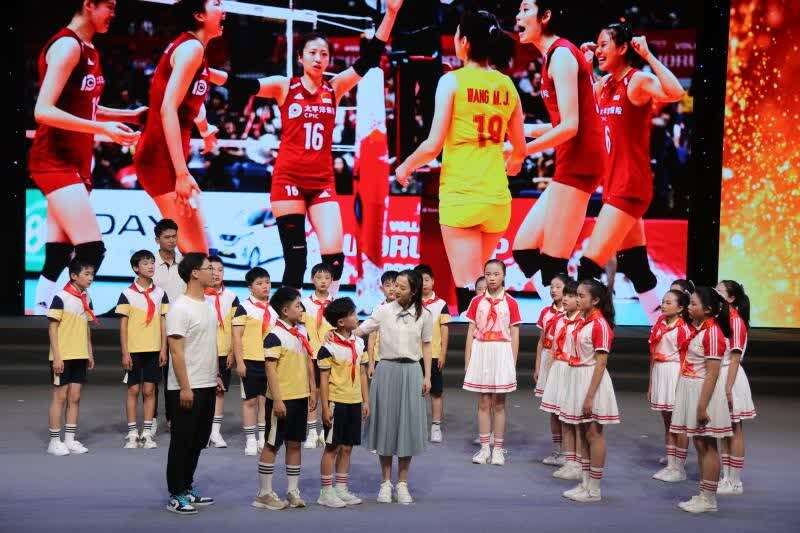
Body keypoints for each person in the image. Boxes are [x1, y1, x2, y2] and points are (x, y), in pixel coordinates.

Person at [236, 0, 405, 294]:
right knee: (296, 260)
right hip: (288, 180)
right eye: (312, 53)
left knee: (335, 260)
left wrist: (390, 14)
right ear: (300, 57)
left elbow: (369, 58)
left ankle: (326, 312)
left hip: (322, 182)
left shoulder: (334, 87)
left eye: (324, 54)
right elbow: (241, 84)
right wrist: (203, 72)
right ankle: (285, 316)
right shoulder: (284, 86)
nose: (318, 58)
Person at [396, 10, 526, 313]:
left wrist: (405, 166)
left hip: (462, 197)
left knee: (471, 292)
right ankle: (493, 340)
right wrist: (513, 162)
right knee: (483, 287)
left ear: (464, 41)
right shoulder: (507, 85)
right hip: (496, 200)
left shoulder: (452, 81)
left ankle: (484, 343)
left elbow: (433, 146)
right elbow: (519, 150)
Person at [30, 0, 143, 315]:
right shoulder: (67, 45)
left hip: (77, 160)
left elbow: (87, 107)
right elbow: (43, 110)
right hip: (55, 159)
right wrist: (102, 129)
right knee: (92, 249)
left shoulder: (90, 49)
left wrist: (130, 115)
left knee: (58, 252)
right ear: (88, 4)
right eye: (109, 6)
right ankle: (72, 307)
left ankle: (42, 308)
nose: (114, 14)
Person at [576, 25, 685, 324]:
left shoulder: (636, 81)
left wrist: (647, 55)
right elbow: (577, 110)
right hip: (614, 186)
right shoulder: (603, 85)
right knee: (636, 267)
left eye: (603, 45)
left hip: (630, 186)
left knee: (587, 267)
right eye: (597, 45)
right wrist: (584, 67)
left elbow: (676, 92)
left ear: (622, 48)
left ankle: (595, 332)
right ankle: (665, 329)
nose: (598, 50)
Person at [512, 0, 606, 304]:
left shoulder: (562, 55)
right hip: (570, 160)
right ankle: (562, 314)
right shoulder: (554, 56)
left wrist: (521, 151)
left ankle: (578, 319)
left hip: (580, 162)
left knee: (553, 264)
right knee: (523, 249)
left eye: (525, 9)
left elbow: (570, 127)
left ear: (546, 16)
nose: (518, 15)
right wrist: (515, 132)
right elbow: (559, 124)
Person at [135, 0, 228, 253]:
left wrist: (205, 128)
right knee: (197, 257)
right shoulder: (191, 48)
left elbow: (191, 102)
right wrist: (181, 173)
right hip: (160, 160)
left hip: (162, 158)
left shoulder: (194, 48)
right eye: (216, 3)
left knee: (197, 253)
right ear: (199, 15)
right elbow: (168, 108)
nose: (224, 10)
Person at [353, 270, 432, 504]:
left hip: (412, 372)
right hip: (386, 370)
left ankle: (403, 483)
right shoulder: (384, 310)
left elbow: (427, 345)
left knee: (407, 427)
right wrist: (339, 334)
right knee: (386, 426)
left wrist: (427, 376)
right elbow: (362, 329)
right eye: (395, 285)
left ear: (414, 291)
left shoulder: (424, 315)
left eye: (402, 287)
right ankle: (385, 483)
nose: (395, 290)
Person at [164, 252, 222, 515]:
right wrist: (185, 387)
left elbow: (206, 345)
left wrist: (215, 375)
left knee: (198, 440)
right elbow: (176, 352)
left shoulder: (207, 304)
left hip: (206, 382)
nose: (214, 273)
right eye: (209, 268)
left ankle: (187, 487)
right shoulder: (180, 307)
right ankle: (176, 494)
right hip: (186, 387)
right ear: (195, 273)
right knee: (182, 441)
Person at [252, 287, 317, 511]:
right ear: (285, 310)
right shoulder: (274, 336)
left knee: (295, 443)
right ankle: (264, 493)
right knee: (272, 444)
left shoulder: (302, 331)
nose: (301, 309)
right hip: (281, 400)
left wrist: (313, 389)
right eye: (298, 305)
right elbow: (270, 370)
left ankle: (292, 490)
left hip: (300, 397)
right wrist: (278, 400)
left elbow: (309, 363)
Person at [670, 287, 733, 514]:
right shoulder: (699, 330)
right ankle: (704, 493)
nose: (689, 307)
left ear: (707, 309)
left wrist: (702, 406)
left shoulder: (713, 333)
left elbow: (713, 373)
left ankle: (709, 499)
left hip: (703, 394)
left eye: (693, 304)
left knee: (708, 446)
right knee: (700, 445)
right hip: (692, 389)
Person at [559, 279, 620, 503]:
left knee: (594, 434)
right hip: (578, 378)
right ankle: (584, 482)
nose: (577, 299)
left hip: (591, 381)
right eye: (576, 295)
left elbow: (601, 363)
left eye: (581, 296)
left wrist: (590, 396)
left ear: (595, 300)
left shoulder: (599, 324)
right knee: (583, 432)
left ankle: (594, 488)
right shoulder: (583, 321)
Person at [464, 259, 521, 466]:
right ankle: (484, 448)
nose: (492, 278)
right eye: (488, 274)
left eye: (496, 274)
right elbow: (471, 332)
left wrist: (511, 363)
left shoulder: (511, 302)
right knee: (483, 402)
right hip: (481, 350)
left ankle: (498, 449)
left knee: (499, 403)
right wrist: (468, 360)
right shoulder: (476, 301)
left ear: (504, 276)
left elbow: (515, 334)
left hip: (501, 351)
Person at [316, 298, 370, 508]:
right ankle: (326, 491)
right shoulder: (328, 347)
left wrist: (366, 401)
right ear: (340, 322)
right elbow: (323, 380)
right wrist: (325, 407)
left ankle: (341, 487)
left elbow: (363, 373)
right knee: (332, 447)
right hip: (337, 402)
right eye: (353, 314)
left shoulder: (360, 343)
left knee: (347, 447)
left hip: (354, 401)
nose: (357, 318)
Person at [116, 250, 169, 449]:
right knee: (133, 390)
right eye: (145, 263)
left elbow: (163, 322)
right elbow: (123, 326)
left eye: (152, 262)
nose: (150, 266)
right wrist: (125, 352)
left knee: (149, 390)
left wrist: (163, 348)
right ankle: (132, 433)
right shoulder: (127, 294)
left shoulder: (160, 293)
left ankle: (147, 432)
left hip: (154, 350)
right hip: (134, 350)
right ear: (135, 268)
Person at [46, 258, 96, 456]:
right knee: (60, 397)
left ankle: (70, 439)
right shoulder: (61, 297)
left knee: (75, 397)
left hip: (80, 354)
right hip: (63, 356)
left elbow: (87, 327)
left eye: (92, 274)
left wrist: (89, 351)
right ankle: (54, 441)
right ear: (74, 276)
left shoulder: (87, 298)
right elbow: (52, 328)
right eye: (86, 274)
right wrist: (57, 357)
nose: (90, 278)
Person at [716, 280, 756, 495]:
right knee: (723, 430)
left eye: (720, 291)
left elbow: (734, 358)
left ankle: (736, 481)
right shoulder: (719, 319)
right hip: (718, 376)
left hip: (730, 377)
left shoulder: (735, 321)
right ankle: (726, 477)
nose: (715, 292)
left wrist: (728, 388)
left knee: (735, 428)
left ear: (731, 298)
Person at [540, 279, 582, 480]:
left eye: (571, 296)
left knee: (573, 417)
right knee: (560, 414)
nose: (565, 299)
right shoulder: (558, 320)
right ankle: (568, 458)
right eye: (565, 295)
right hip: (558, 368)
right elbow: (552, 348)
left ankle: (578, 461)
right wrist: (548, 373)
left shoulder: (584, 322)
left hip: (574, 370)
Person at [232, 267, 276, 455]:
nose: (265, 286)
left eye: (267, 282)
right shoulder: (244, 307)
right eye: (259, 283)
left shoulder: (275, 307)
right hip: (250, 361)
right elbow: (236, 337)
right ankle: (250, 439)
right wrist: (240, 362)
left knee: (265, 401)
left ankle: (262, 438)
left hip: (271, 361)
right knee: (250, 401)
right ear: (250, 287)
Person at [649, 290, 690, 482]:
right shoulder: (659, 324)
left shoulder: (683, 328)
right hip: (660, 372)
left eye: (668, 303)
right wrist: (651, 383)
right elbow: (653, 353)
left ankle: (679, 468)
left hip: (675, 374)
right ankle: (671, 464)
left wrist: (683, 384)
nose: (663, 305)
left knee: (678, 423)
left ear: (680, 308)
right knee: (667, 422)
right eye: (663, 302)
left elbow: (686, 359)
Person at [153, 218, 186, 434]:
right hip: (155, 326)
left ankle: (174, 416)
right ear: (157, 239)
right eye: (167, 237)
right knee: (155, 376)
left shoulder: (184, 262)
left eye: (174, 236)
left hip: (180, 325)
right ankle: (151, 418)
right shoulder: (150, 263)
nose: (172, 241)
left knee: (175, 375)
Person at [204, 255, 240, 448]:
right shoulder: (198, 295)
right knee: (203, 391)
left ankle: (215, 432)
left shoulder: (232, 297)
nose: (216, 273)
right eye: (211, 269)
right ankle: (202, 431)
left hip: (224, 352)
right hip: (203, 352)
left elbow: (236, 327)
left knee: (219, 391)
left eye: (220, 270)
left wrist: (232, 351)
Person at [415, 264, 451, 443]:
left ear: (433, 281)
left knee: (436, 392)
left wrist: (443, 353)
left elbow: (444, 330)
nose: (424, 284)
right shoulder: (411, 303)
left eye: (427, 280)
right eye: (420, 281)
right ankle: (415, 425)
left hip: (434, 354)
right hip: (414, 355)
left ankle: (436, 426)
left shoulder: (441, 304)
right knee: (415, 392)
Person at [534, 274, 568, 465]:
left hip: (563, 362)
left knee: (564, 407)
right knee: (552, 408)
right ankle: (557, 450)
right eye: (551, 287)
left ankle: (569, 452)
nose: (553, 290)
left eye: (558, 287)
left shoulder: (573, 313)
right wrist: (538, 366)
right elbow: (541, 342)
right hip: (548, 359)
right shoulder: (546, 312)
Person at [301, 263, 335, 449]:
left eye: (327, 278)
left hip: (331, 356)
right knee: (312, 393)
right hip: (311, 355)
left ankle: (326, 430)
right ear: (312, 280)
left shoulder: (336, 303)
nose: (323, 281)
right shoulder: (304, 304)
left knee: (329, 393)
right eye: (319, 278)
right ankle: (312, 432)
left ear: (332, 281)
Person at [367, 270, 398, 379]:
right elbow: (371, 339)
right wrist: (371, 364)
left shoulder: (407, 309)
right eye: (388, 285)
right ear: (382, 288)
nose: (392, 289)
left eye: (395, 285)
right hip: (380, 360)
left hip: (400, 361)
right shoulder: (377, 310)